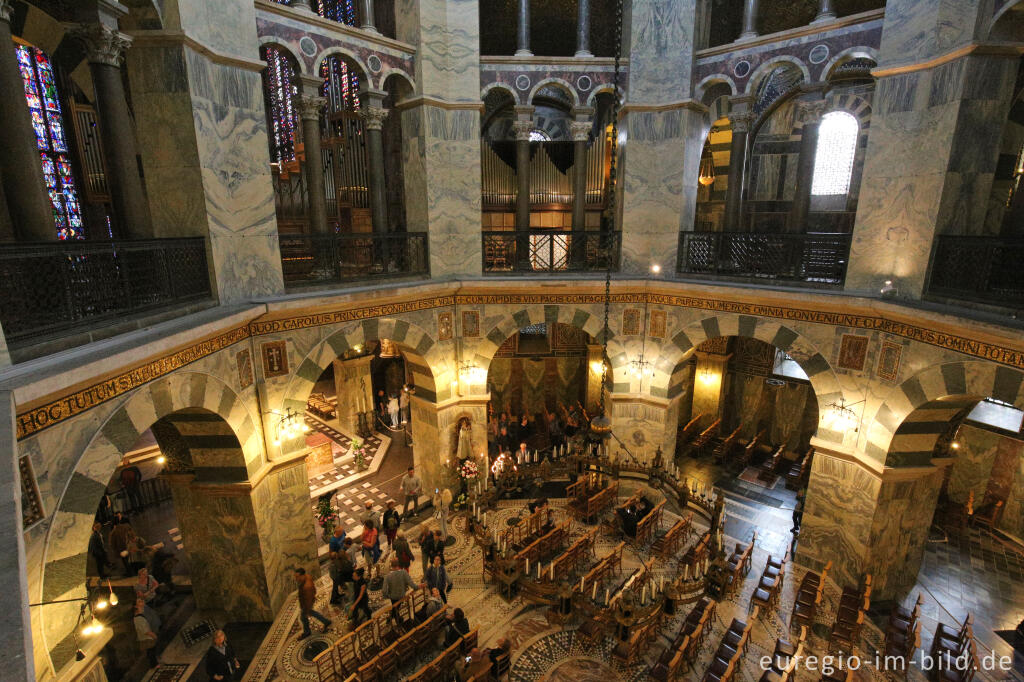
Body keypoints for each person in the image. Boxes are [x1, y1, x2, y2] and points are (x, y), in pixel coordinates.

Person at [294, 567, 332, 639]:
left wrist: (306, 609)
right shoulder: (307, 576)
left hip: (306, 604)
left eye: (297, 576)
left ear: (302, 575)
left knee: (303, 617)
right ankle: (326, 621)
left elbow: (308, 599)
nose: (296, 578)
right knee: (312, 613)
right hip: (306, 601)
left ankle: (307, 632)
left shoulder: (307, 586)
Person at [133, 598, 159, 667]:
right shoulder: (138, 619)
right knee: (151, 651)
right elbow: (145, 631)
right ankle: (154, 665)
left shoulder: (141, 615)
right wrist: (153, 635)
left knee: (151, 651)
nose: (142, 602)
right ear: (136, 606)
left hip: (148, 637)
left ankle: (154, 663)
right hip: (147, 638)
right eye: (139, 602)